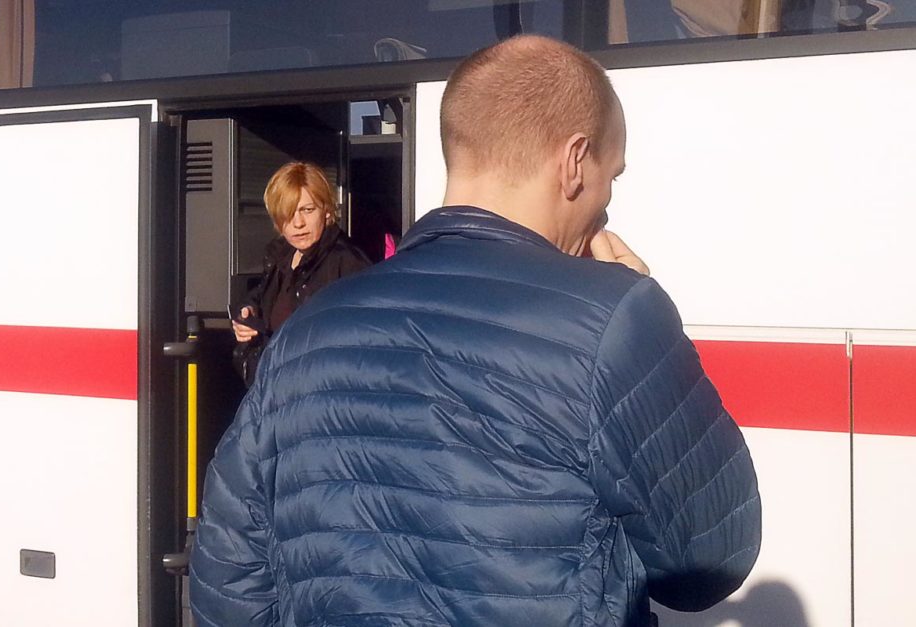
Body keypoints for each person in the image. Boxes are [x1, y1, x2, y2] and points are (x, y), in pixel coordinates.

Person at [191, 35, 761, 626]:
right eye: (609, 176)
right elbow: (709, 560)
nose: (607, 204)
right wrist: (634, 319)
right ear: (573, 162)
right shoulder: (615, 317)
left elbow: (228, 586)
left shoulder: (305, 331)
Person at [230, 161, 370, 386]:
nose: (298, 223)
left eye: (307, 209)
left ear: (326, 211)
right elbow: (261, 299)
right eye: (288, 213)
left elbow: (363, 343)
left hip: (319, 400)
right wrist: (246, 315)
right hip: (276, 398)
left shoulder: (348, 263)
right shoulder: (280, 258)